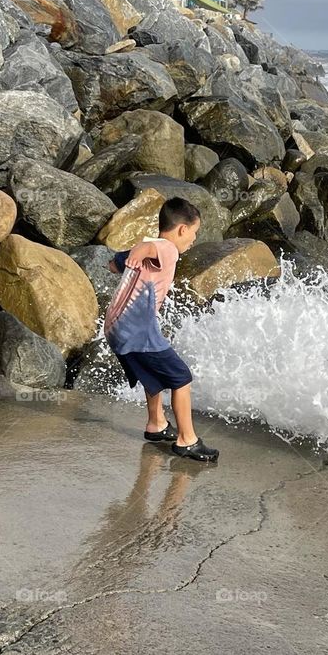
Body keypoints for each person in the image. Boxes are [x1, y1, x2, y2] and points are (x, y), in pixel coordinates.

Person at [105, 197, 219, 463]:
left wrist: (127, 258)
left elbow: (114, 263)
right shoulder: (168, 249)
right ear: (181, 229)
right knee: (182, 377)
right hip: (136, 330)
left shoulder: (155, 249)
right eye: (194, 233)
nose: (193, 239)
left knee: (152, 374)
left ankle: (156, 423)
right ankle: (187, 440)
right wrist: (144, 248)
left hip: (115, 328)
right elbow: (150, 248)